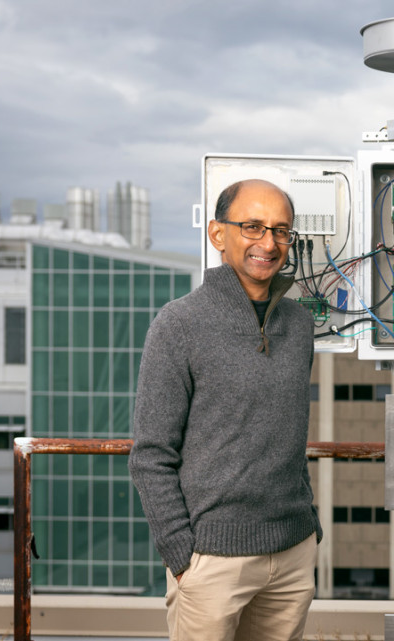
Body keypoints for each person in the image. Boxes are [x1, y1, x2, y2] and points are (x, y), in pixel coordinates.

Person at [129, 179, 321, 641]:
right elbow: (151, 454)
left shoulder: (298, 323)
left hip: (292, 551)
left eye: (280, 230)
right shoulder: (179, 324)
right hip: (211, 559)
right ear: (218, 234)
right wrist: (181, 554)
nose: (268, 243)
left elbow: (288, 434)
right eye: (252, 227)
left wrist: (309, 526)